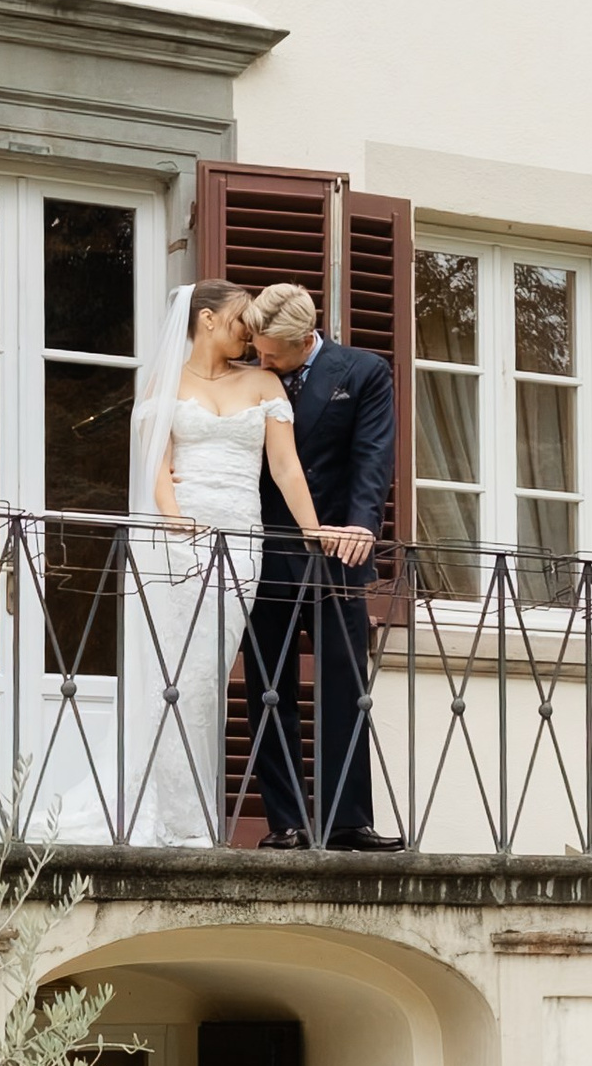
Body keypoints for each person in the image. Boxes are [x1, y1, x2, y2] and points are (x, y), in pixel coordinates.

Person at [123, 284, 336, 845]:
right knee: (177, 672)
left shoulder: (264, 384)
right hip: (183, 538)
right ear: (208, 318)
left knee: (210, 674)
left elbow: (286, 469)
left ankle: (196, 813)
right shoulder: (164, 385)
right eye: (242, 320)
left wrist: (314, 531)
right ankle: (174, 818)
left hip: (242, 542)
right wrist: (172, 521)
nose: (251, 331)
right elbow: (157, 469)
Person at [240, 283, 401, 850]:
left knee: (344, 684)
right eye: (257, 350)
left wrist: (362, 525)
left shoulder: (362, 371)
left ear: (305, 338)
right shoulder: (249, 374)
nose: (261, 360)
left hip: (337, 552)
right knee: (270, 690)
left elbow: (373, 453)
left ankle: (347, 821)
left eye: (271, 354)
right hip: (264, 551)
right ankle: (285, 821)